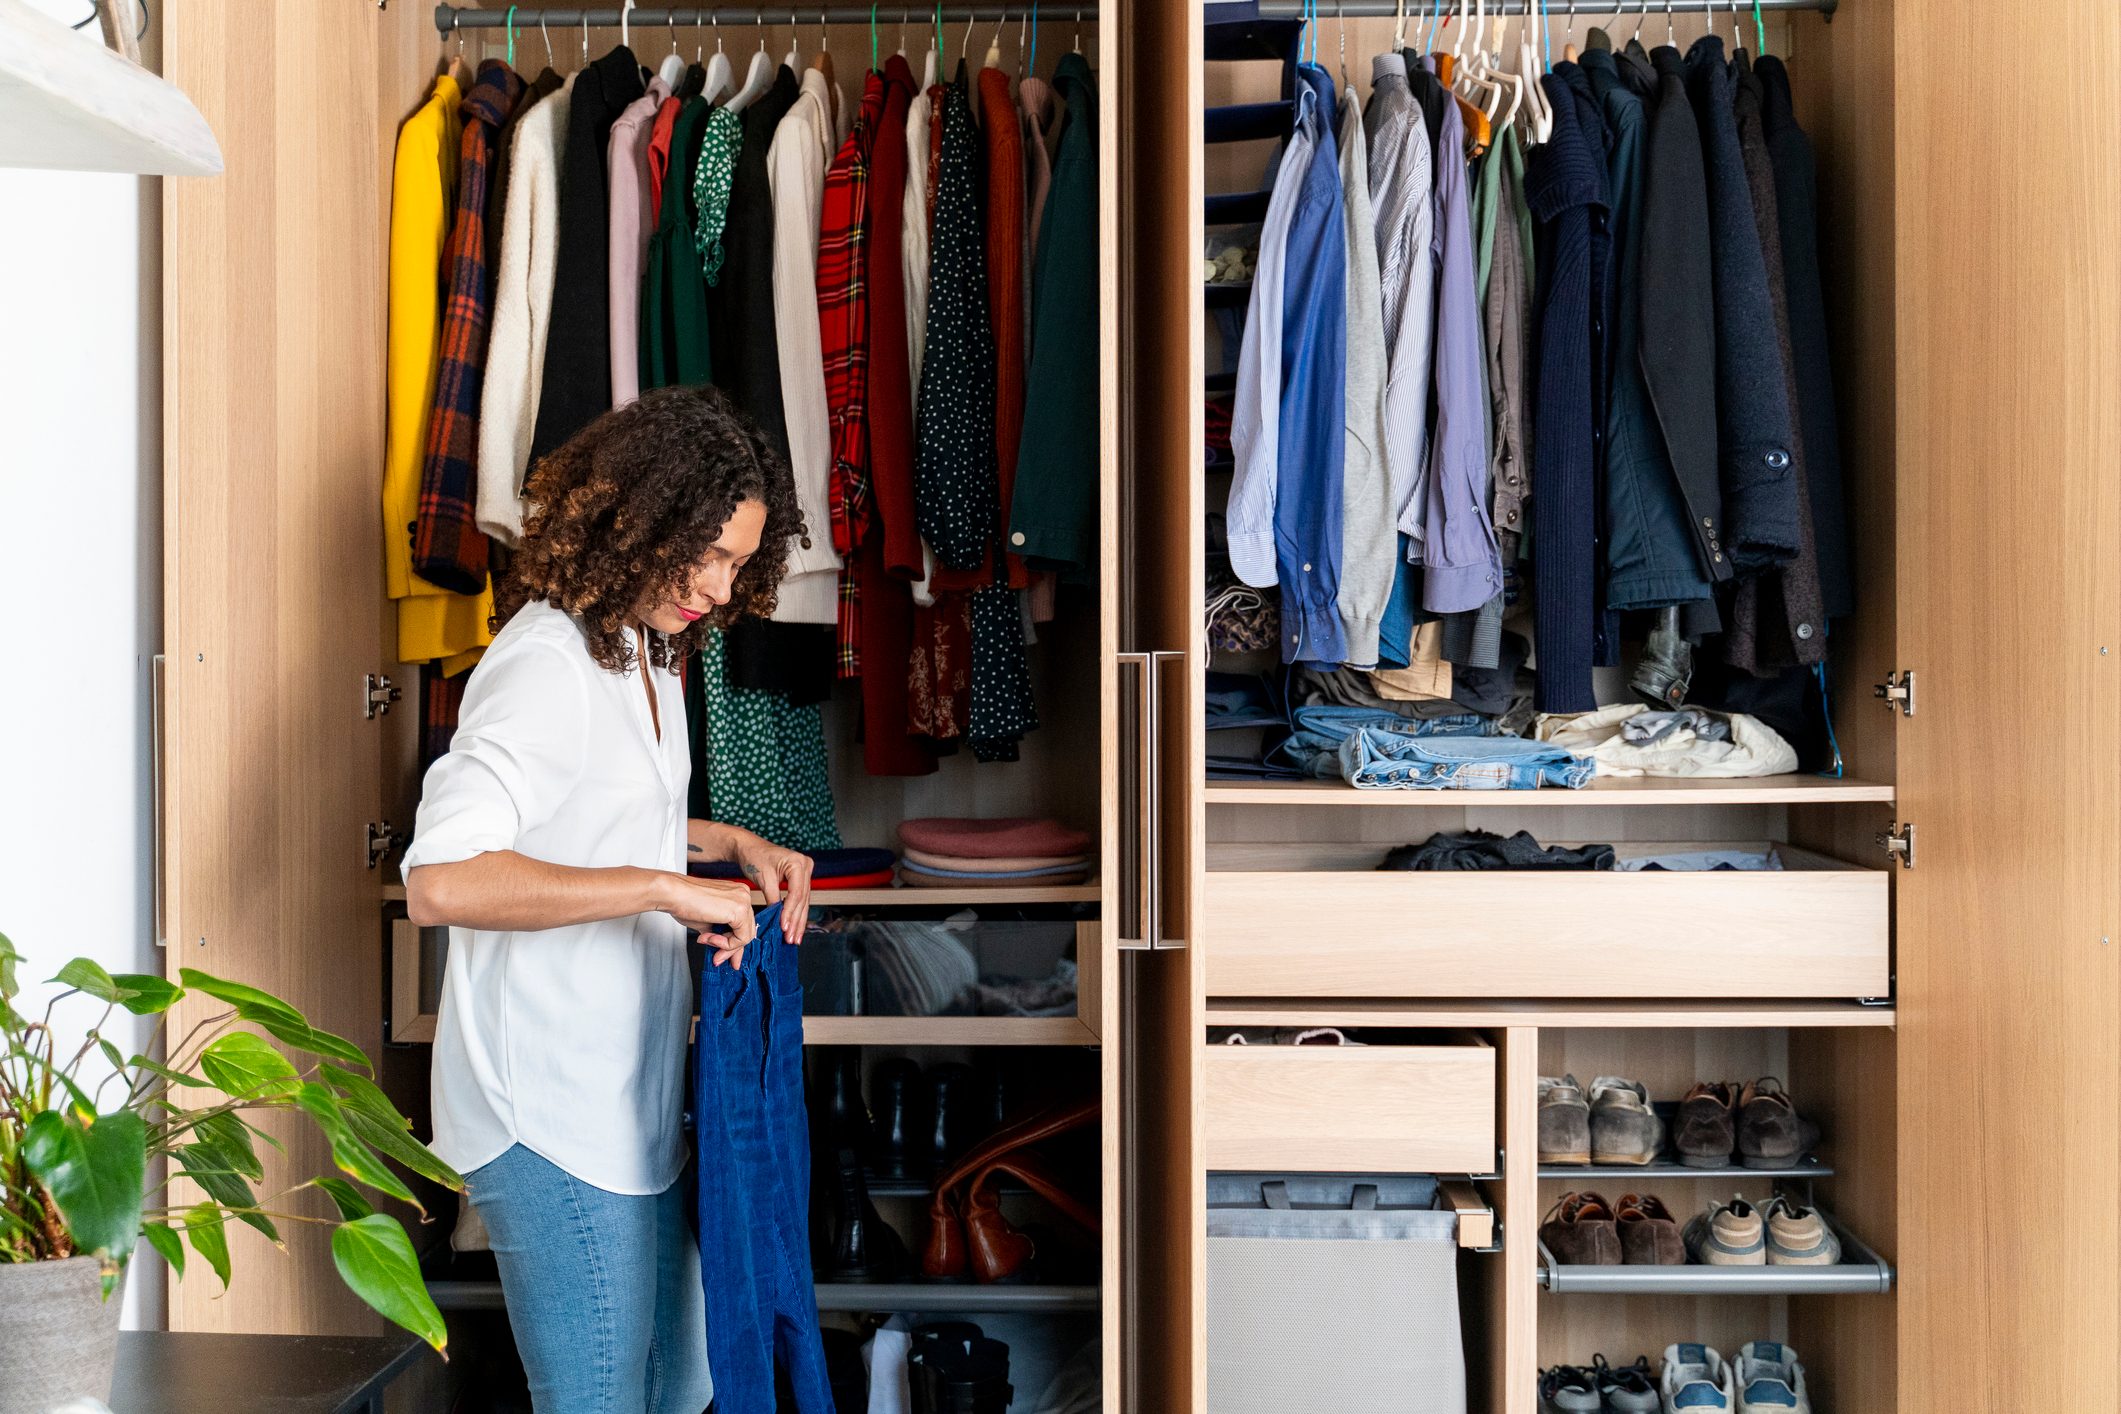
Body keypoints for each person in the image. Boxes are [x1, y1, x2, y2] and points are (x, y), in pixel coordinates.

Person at [403, 386, 815, 1412]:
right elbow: (441, 878)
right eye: (708, 555)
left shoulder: (642, 648)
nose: (720, 588)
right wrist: (665, 888)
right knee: (598, 1399)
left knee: (682, 1384)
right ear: (640, 519)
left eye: (738, 563)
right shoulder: (543, 661)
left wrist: (726, 843)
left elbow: (592, 806)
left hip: (625, 1092)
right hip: (543, 1103)